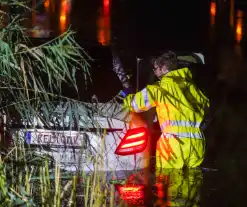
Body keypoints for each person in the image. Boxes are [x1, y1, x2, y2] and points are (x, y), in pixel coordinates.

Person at [122, 51, 210, 169]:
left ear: (163, 68)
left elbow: (135, 104)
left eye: (155, 68)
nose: (154, 72)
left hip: (173, 143)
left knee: (169, 182)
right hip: (197, 143)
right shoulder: (193, 88)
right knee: (191, 182)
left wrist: (126, 97)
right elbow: (206, 107)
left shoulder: (159, 88)